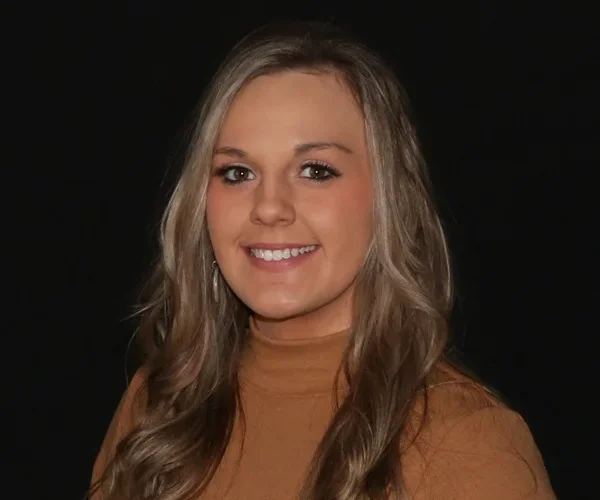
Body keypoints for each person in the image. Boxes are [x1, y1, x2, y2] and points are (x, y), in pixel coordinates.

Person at [90, 21, 556, 500]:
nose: (270, 207)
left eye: (315, 171)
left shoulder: (468, 443)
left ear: (388, 197)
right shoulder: (160, 406)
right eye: (238, 171)